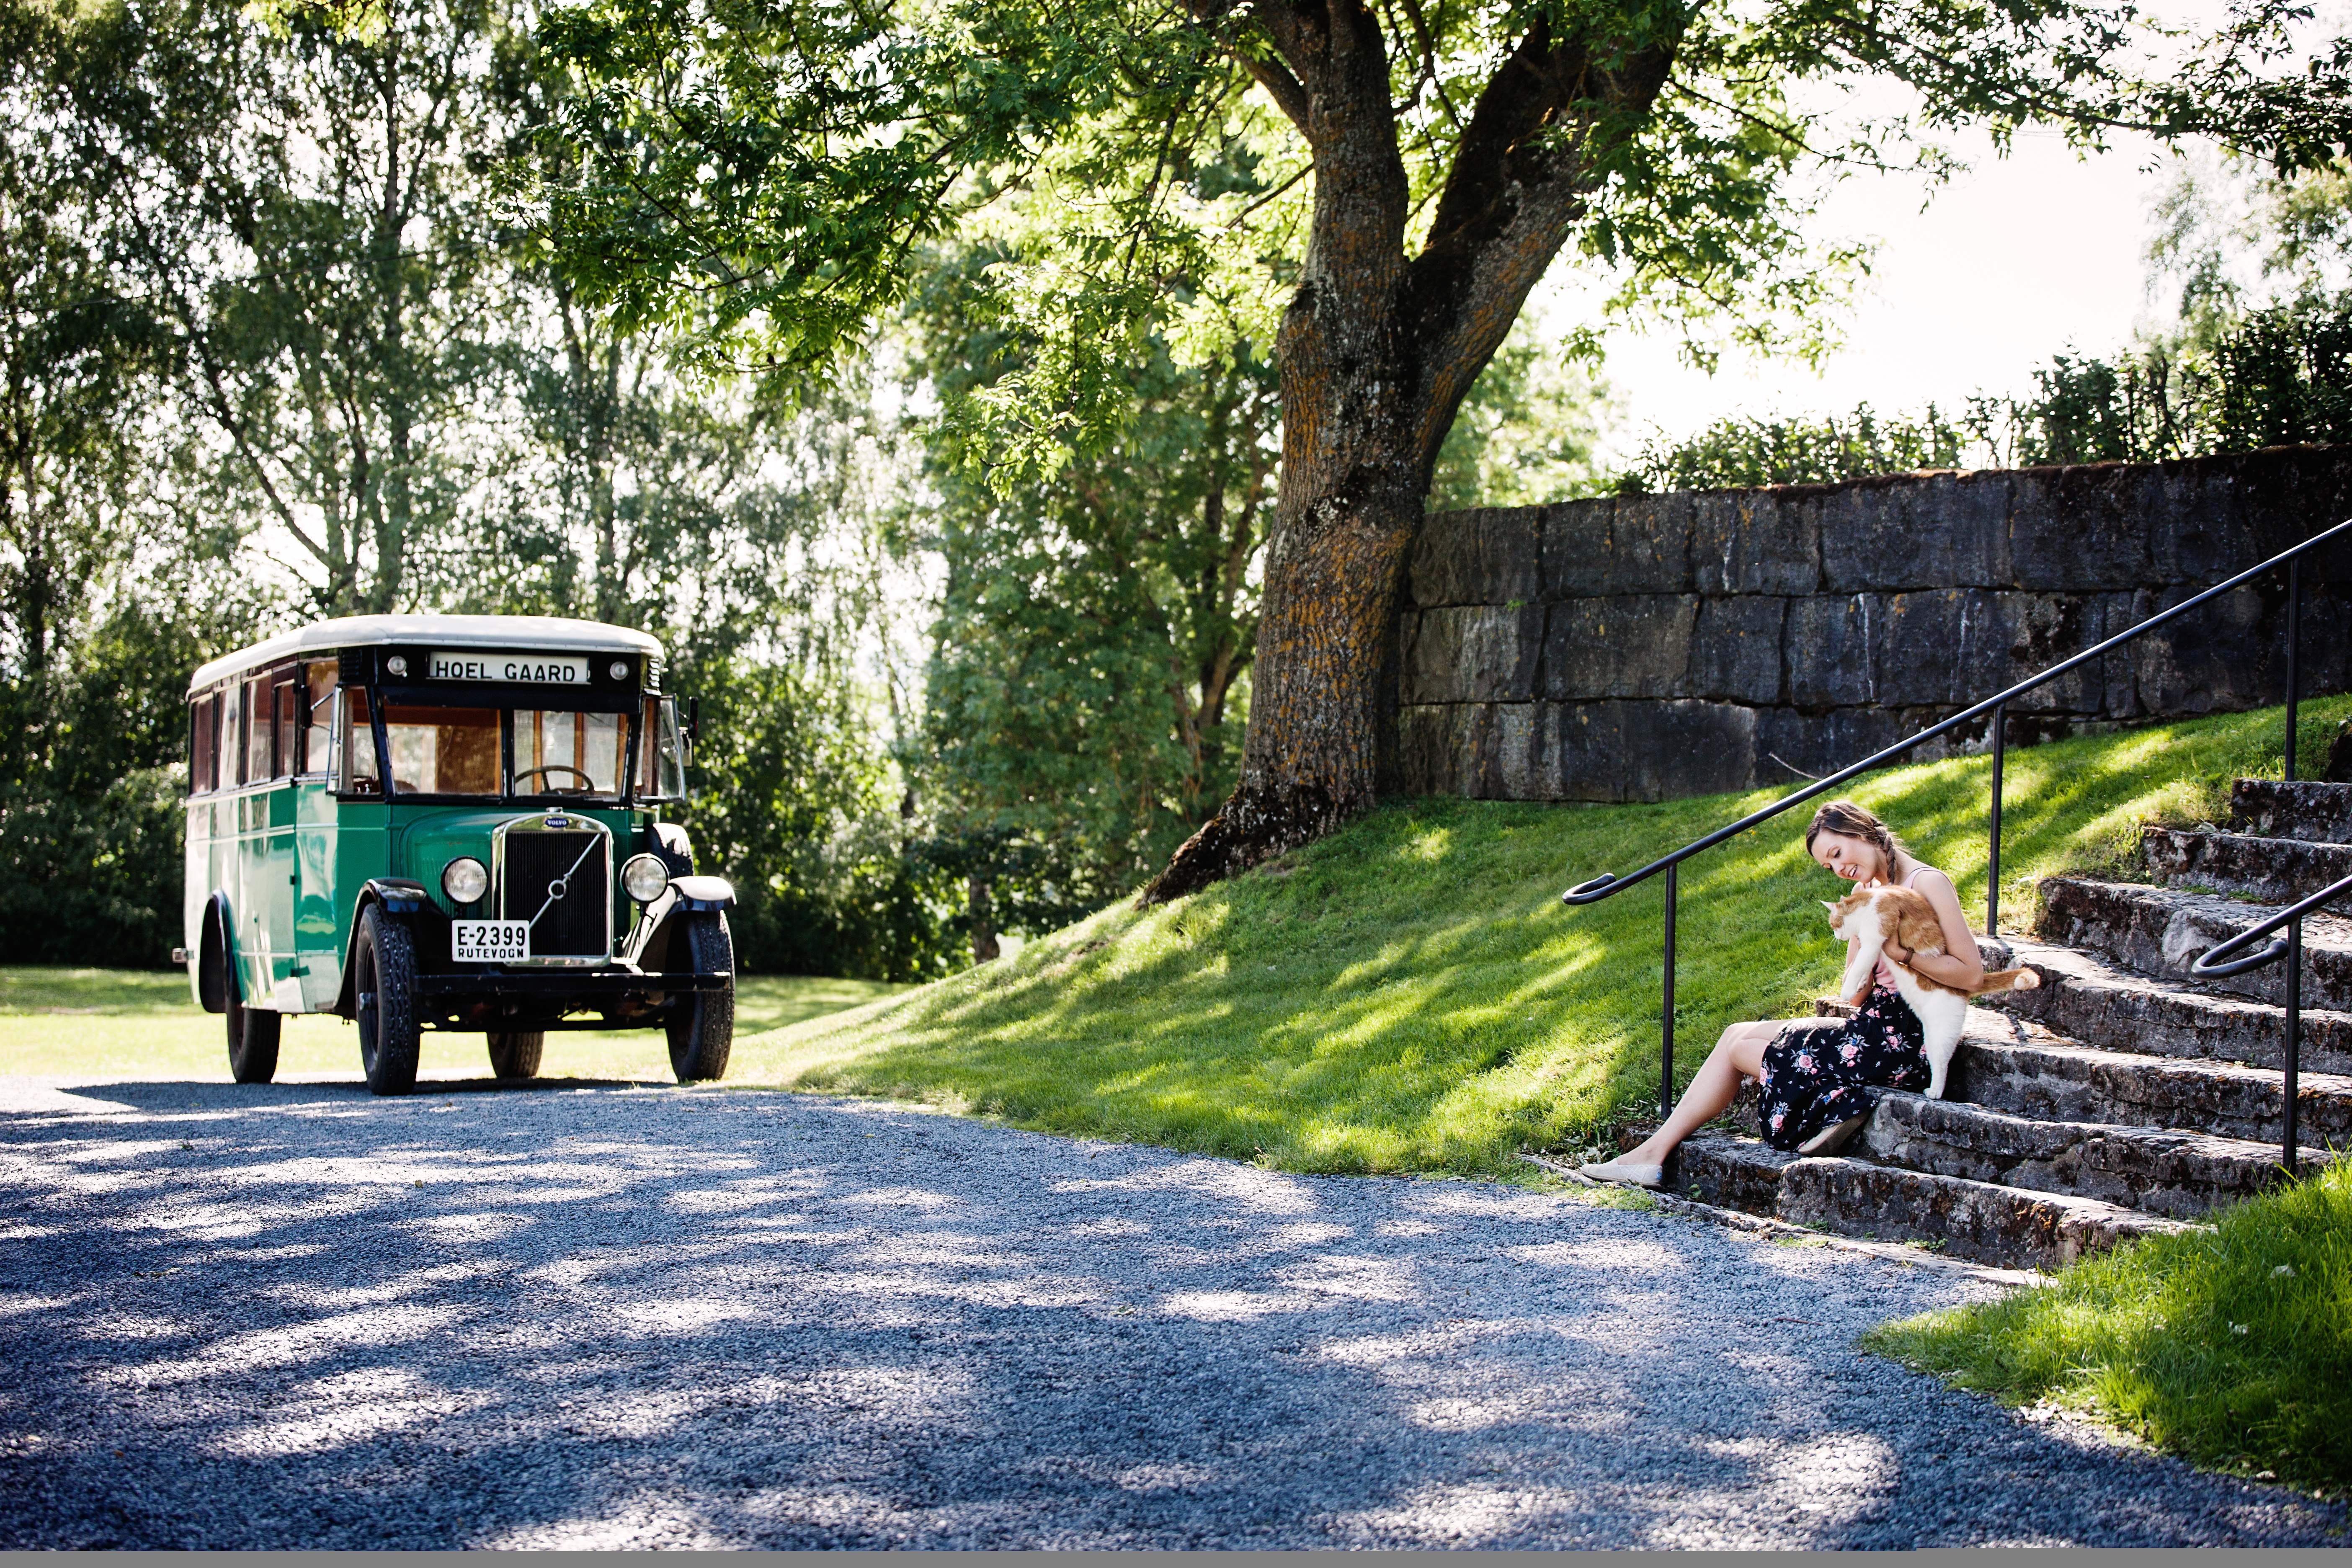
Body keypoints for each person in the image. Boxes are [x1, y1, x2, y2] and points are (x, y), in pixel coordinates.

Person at [1578, 799, 1986, 1188]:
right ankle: (1653, 1152)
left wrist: (1903, 954)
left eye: (1839, 853)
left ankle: (1834, 1100)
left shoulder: (1927, 883)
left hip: (1908, 1037)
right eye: (1830, 865)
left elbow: (1971, 975)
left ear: (1862, 831)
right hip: (1873, 1022)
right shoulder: (1869, 892)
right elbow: (1856, 998)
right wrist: (1862, 938)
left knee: (1742, 1051)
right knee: (1735, 1034)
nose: (1839, 868)